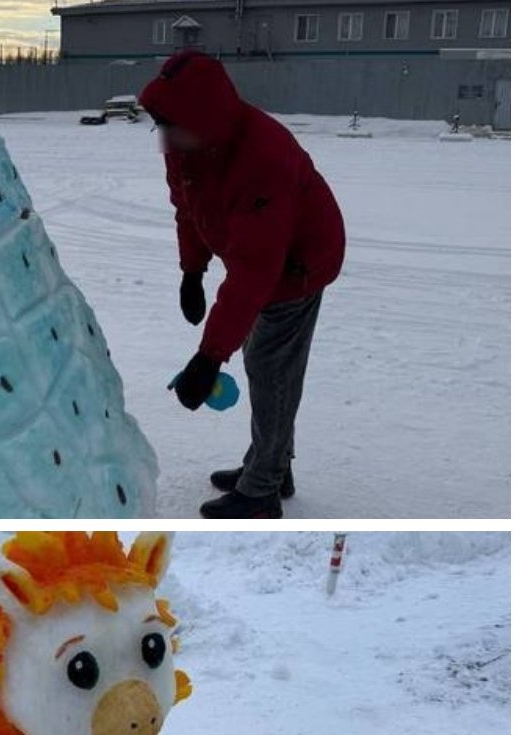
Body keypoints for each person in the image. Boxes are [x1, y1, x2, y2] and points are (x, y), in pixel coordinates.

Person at [140, 52, 346, 519]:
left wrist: (209, 356)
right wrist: (191, 272)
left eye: (172, 128)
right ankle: (271, 466)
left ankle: (262, 491)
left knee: (271, 371)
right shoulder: (186, 147)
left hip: (298, 264)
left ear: (204, 121)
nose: (164, 141)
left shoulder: (263, 157)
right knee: (267, 365)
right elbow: (188, 209)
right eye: (159, 128)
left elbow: (256, 271)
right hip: (260, 257)